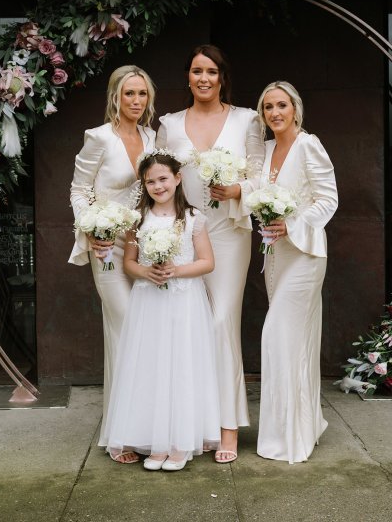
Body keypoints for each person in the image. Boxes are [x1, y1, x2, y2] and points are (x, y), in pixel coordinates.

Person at [156, 45, 265, 463]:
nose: (204, 78)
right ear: (187, 77)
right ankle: (192, 423)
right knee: (186, 327)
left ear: (222, 77)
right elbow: (158, 176)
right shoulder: (168, 124)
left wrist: (239, 190)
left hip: (228, 232)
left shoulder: (246, 120)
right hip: (183, 233)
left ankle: (228, 427)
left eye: (212, 72)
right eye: (197, 71)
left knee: (221, 323)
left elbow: (260, 176)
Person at [104, 150, 220, 470]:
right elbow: (128, 263)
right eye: (150, 181)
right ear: (144, 184)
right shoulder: (137, 219)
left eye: (163, 179)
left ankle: (179, 443)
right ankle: (155, 442)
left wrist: (175, 271)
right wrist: (147, 272)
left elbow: (207, 262)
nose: (158, 186)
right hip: (149, 301)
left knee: (181, 364)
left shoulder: (193, 218)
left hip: (183, 300)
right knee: (152, 365)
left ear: (177, 179)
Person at [68, 65, 156, 455]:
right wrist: (89, 227)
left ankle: (145, 425)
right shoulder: (99, 138)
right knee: (126, 327)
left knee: (142, 332)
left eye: (142, 94)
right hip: (106, 245)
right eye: (129, 94)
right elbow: (78, 189)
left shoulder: (152, 136)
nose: (136, 101)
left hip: (143, 245)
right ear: (115, 98)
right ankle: (121, 436)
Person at [255, 80, 338, 464]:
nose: (275, 113)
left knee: (278, 335)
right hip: (276, 257)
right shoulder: (267, 148)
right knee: (290, 343)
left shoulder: (309, 144)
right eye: (268, 106)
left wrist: (293, 224)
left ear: (295, 109)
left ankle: (290, 438)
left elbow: (328, 199)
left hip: (305, 254)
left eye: (281, 105)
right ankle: (301, 426)